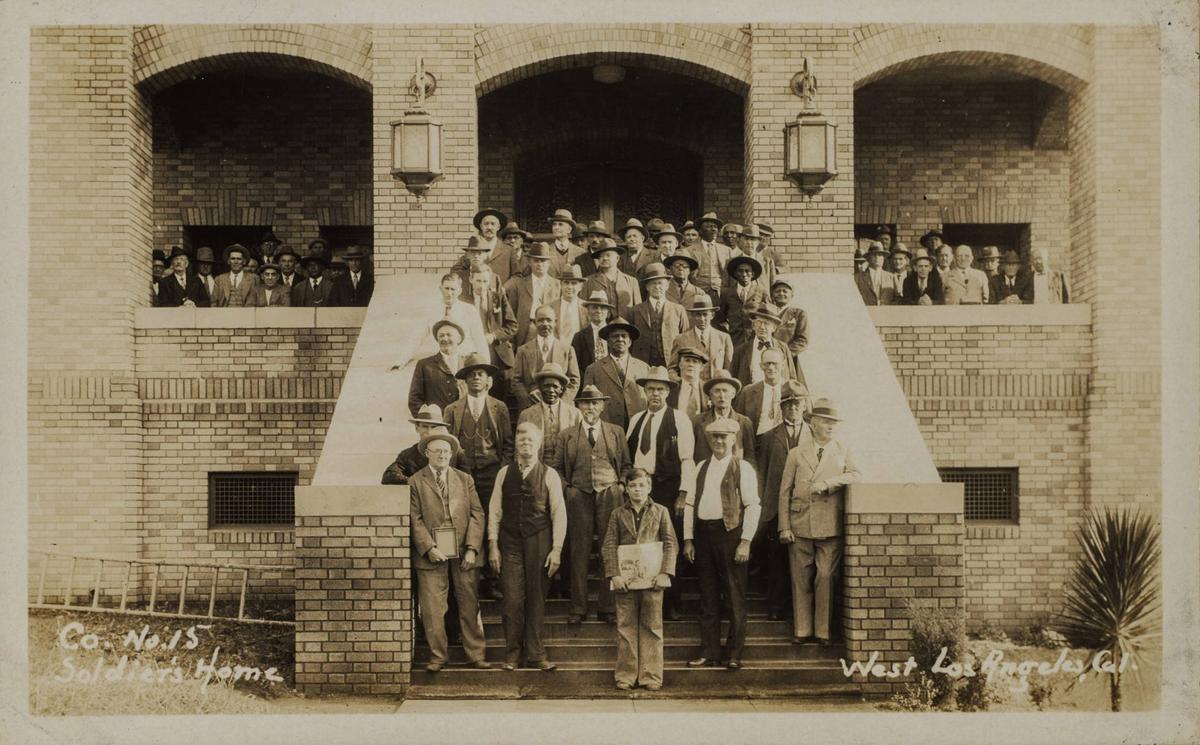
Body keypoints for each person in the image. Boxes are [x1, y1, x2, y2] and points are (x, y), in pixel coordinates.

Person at [779, 398, 861, 646]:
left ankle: (822, 631)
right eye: (825, 421)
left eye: (834, 422)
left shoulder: (843, 449)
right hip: (800, 522)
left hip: (829, 524)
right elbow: (784, 491)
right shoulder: (796, 453)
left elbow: (856, 474)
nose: (830, 426)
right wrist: (784, 526)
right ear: (813, 423)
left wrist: (828, 483)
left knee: (825, 576)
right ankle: (802, 630)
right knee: (800, 578)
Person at [487, 422, 568, 671]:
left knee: (536, 598)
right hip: (509, 542)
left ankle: (536, 654)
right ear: (517, 445)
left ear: (539, 444)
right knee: (512, 599)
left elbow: (559, 514)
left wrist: (556, 550)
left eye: (530, 440)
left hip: (539, 540)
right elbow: (494, 511)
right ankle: (512, 655)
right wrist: (493, 545)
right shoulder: (504, 473)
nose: (526, 444)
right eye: (521, 439)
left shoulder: (550, 474)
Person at [683, 418, 761, 669]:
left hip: (730, 535)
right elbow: (690, 504)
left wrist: (745, 541)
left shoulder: (743, 468)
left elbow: (752, 506)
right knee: (707, 595)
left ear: (733, 439)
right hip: (704, 536)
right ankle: (710, 651)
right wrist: (688, 540)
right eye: (714, 437)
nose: (718, 441)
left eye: (723, 437)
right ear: (709, 440)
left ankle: (734, 654)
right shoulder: (701, 467)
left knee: (734, 595)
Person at [410, 431, 490, 672]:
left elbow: (478, 514)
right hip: (433, 554)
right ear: (427, 454)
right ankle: (438, 657)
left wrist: (472, 549)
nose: (443, 455)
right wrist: (428, 548)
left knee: (469, 604)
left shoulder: (465, 479)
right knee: (433, 607)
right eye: (438, 451)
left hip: (464, 552)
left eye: (446, 451)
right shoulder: (415, 481)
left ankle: (476, 655)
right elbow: (414, 518)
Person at [550, 384, 630, 625]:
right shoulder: (567, 435)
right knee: (579, 551)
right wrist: (569, 490)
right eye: (586, 403)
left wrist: (621, 486)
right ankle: (578, 607)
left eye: (595, 403)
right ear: (578, 406)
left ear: (603, 406)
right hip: (579, 496)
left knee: (610, 549)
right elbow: (556, 469)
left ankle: (607, 607)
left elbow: (626, 465)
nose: (590, 407)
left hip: (610, 495)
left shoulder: (616, 432)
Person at [625, 366, 696, 621]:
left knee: (669, 544)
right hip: (642, 489)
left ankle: (672, 604)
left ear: (667, 392)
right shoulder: (636, 420)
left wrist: (683, 493)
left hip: (669, 486)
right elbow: (630, 457)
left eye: (660, 389)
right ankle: (646, 604)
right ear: (644, 391)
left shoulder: (679, 419)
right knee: (643, 544)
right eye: (651, 389)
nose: (655, 394)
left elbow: (687, 459)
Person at [602, 467, 678, 691]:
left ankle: (651, 676)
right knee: (625, 627)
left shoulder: (661, 511)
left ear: (649, 487)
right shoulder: (617, 514)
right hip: (625, 581)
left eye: (641, 485)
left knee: (652, 626)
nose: (637, 489)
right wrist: (614, 574)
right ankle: (626, 675)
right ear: (626, 489)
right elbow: (608, 545)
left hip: (653, 580)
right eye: (632, 485)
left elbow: (670, 543)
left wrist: (665, 572)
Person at [754, 380, 810, 621]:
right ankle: (776, 605)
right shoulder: (768, 437)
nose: (793, 409)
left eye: (796, 404)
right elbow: (762, 473)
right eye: (787, 405)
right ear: (781, 408)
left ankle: (801, 610)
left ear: (804, 405)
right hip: (777, 507)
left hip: (806, 507)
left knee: (804, 560)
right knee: (777, 558)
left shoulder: (813, 435)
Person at [580, 318, 649, 430]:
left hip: (639, 427)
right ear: (608, 341)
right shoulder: (593, 369)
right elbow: (588, 405)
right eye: (615, 336)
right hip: (608, 428)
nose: (620, 339)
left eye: (624, 336)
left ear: (630, 342)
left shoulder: (644, 368)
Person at [511, 304, 581, 410]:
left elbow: (574, 380)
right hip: (530, 408)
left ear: (555, 322)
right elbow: (516, 380)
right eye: (540, 320)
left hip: (561, 408)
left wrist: (562, 403)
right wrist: (528, 401)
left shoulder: (568, 350)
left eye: (549, 320)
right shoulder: (523, 350)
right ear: (534, 322)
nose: (545, 324)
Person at [468, 266, 519, 401]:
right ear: (471, 279)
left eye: (485, 281)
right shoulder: (464, 300)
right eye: (478, 281)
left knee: (497, 400)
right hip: (472, 356)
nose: (482, 286)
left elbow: (513, 326)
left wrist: (494, 336)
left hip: (497, 356)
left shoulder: (498, 297)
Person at [518, 362, 582, 465]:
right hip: (537, 468)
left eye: (555, 386)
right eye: (546, 386)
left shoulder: (575, 415)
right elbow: (519, 451)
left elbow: (581, 450)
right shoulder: (527, 415)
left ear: (561, 389)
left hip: (566, 469)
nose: (551, 390)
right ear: (539, 387)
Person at [503, 242, 561, 350]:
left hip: (550, 328)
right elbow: (512, 313)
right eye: (536, 261)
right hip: (527, 328)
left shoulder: (557, 285)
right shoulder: (519, 284)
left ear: (549, 263)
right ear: (530, 262)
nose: (540, 264)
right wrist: (512, 339)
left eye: (543, 261)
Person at [630, 263, 688, 369]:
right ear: (647, 287)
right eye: (653, 283)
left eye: (660, 283)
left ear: (667, 285)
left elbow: (684, 339)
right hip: (642, 361)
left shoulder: (678, 310)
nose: (657, 287)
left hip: (670, 361)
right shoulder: (635, 310)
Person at [382, 404, 458, 485]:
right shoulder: (408, 455)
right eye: (425, 426)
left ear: (441, 428)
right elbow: (388, 476)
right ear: (417, 428)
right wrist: (418, 483)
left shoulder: (454, 452)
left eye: (433, 427)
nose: (429, 431)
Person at [692, 369, 756, 464]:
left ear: (733, 394)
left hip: (734, 476)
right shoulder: (697, 421)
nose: (721, 395)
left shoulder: (744, 423)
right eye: (717, 391)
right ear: (710, 395)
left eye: (725, 391)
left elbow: (750, 459)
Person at [730, 302, 800, 385]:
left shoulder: (783, 348)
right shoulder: (741, 350)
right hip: (750, 396)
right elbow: (733, 379)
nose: (762, 327)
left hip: (777, 395)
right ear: (753, 326)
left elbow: (792, 377)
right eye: (759, 322)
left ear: (774, 328)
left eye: (766, 323)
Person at [408, 319, 466, 417]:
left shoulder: (468, 363)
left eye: (449, 335)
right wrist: (430, 422)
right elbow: (414, 400)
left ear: (459, 338)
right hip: (437, 426)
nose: (445, 338)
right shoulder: (425, 365)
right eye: (441, 336)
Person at [669, 295, 734, 380]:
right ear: (692, 315)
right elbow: (672, 369)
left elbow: (729, 369)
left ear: (712, 315)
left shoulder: (724, 338)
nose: (702, 319)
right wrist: (681, 382)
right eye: (698, 315)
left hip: (715, 389)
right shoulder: (681, 339)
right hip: (691, 390)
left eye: (705, 314)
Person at [581, 238, 642, 321]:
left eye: (608, 255)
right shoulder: (588, 281)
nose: (604, 258)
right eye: (601, 256)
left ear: (617, 258)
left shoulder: (632, 281)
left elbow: (638, 311)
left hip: (624, 328)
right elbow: (583, 310)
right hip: (599, 327)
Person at [733, 348, 786, 438]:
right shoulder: (748, 392)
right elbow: (739, 422)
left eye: (775, 363)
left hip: (783, 444)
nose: (771, 367)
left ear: (783, 365)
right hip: (757, 443)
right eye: (767, 363)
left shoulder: (791, 389)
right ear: (761, 366)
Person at [436, 273, 490, 359]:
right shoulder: (431, 310)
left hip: (464, 359)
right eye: (446, 288)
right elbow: (415, 338)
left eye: (453, 289)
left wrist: (486, 367)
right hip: (441, 362)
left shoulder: (470, 310)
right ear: (440, 288)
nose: (449, 293)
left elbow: (480, 341)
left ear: (459, 291)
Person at [718, 255, 768, 345]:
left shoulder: (761, 291)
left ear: (752, 274)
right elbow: (720, 318)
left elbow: (768, 316)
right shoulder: (727, 293)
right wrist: (727, 332)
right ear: (735, 274)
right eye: (740, 271)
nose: (744, 274)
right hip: (734, 339)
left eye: (747, 271)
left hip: (755, 339)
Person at [691, 212, 733, 303]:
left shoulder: (726, 250)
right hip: (698, 293)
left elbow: (730, 276)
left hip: (720, 294)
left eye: (715, 227)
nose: (713, 229)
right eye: (709, 226)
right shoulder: (690, 250)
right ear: (700, 231)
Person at [571, 290, 614, 375]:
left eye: (602, 307)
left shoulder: (614, 334)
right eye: (594, 307)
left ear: (608, 312)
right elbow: (574, 366)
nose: (598, 311)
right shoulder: (579, 337)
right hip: (587, 384)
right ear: (588, 310)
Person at [770, 279, 809, 369]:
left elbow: (802, 340)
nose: (781, 293)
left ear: (792, 295)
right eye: (777, 291)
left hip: (787, 360)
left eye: (785, 291)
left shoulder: (799, 314)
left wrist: (783, 354)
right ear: (772, 295)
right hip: (766, 359)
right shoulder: (766, 312)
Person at [669, 346, 709, 420]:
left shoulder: (708, 390)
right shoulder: (671, 388)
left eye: (695, 361)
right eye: (687, 360)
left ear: (701, 368)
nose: (691, 364)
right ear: (680, 365)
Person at [855, 241, 899, 306]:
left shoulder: (892, 277)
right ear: (868, 258)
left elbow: (897, 299)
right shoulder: (858, 278)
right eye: (874, 255)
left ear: (884, 258)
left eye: (880, 255)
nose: (877, 257)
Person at [547, 208, 585, 277]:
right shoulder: (545, 251)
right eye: (554, 224)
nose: (556, 227)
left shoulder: (581, 253)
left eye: (560, 224)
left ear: (569, 229)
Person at [555, 265, 588, 342]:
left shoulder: (586, 308)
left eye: (574, 283)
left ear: (580, 286)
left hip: (580, 351)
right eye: (566, 283)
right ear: (561, 284)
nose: (569, 287)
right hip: (557, 350)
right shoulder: (550, 308)